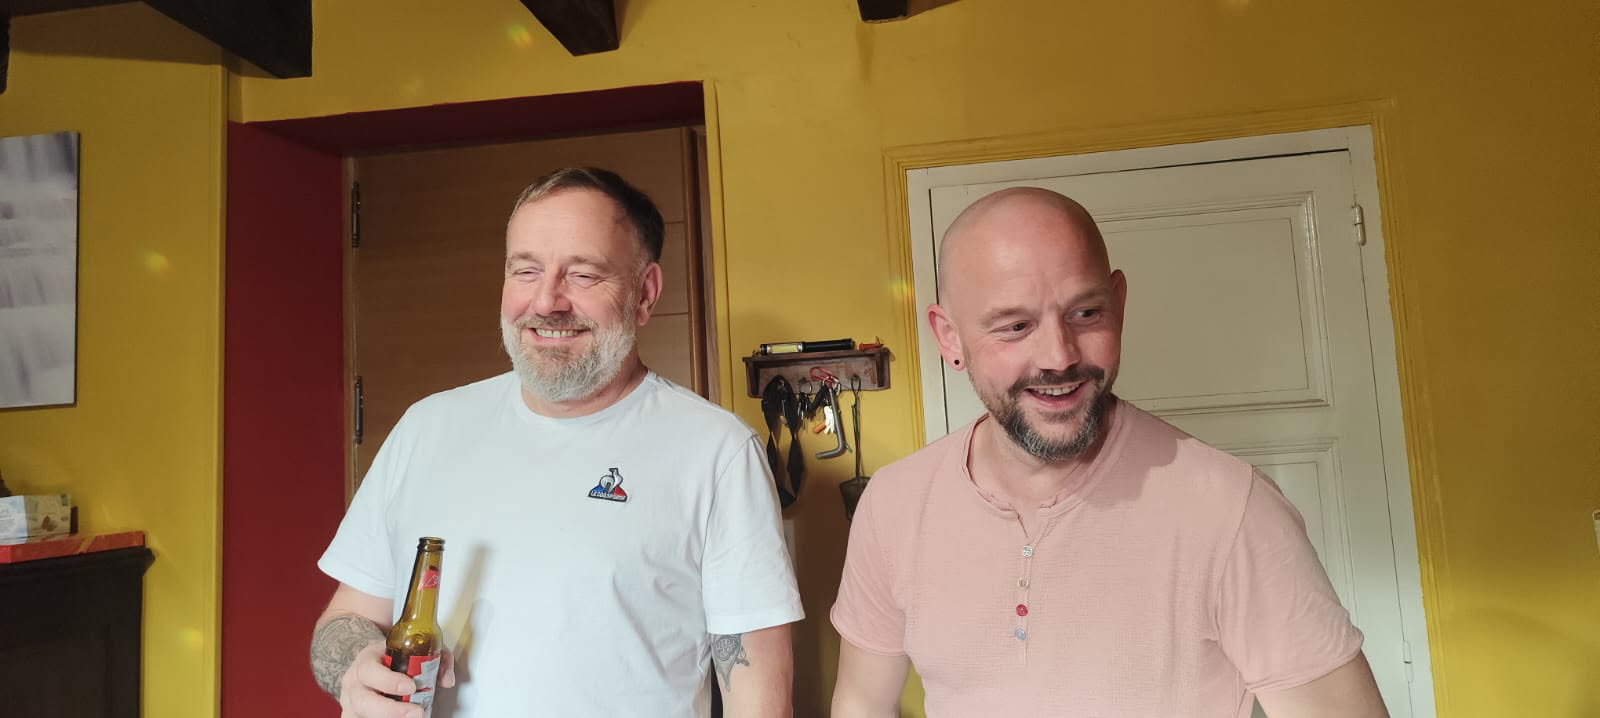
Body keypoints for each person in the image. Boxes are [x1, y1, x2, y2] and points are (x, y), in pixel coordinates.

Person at [829, 187, 1389, 718]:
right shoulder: (894, 504)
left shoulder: (1231, 508)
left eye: (1085, 314)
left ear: (1118, 304)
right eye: (1016, 326)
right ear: (949, 337)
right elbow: (860, 703)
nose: (1059, 357)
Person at [309, 167, 802, 718]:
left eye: (583, 275)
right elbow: (347, 617)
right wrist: (357, 666)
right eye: (525, 270)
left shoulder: (717, 451)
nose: (546, 301)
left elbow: (759, 700)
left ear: (645, 293)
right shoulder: (425, 428)